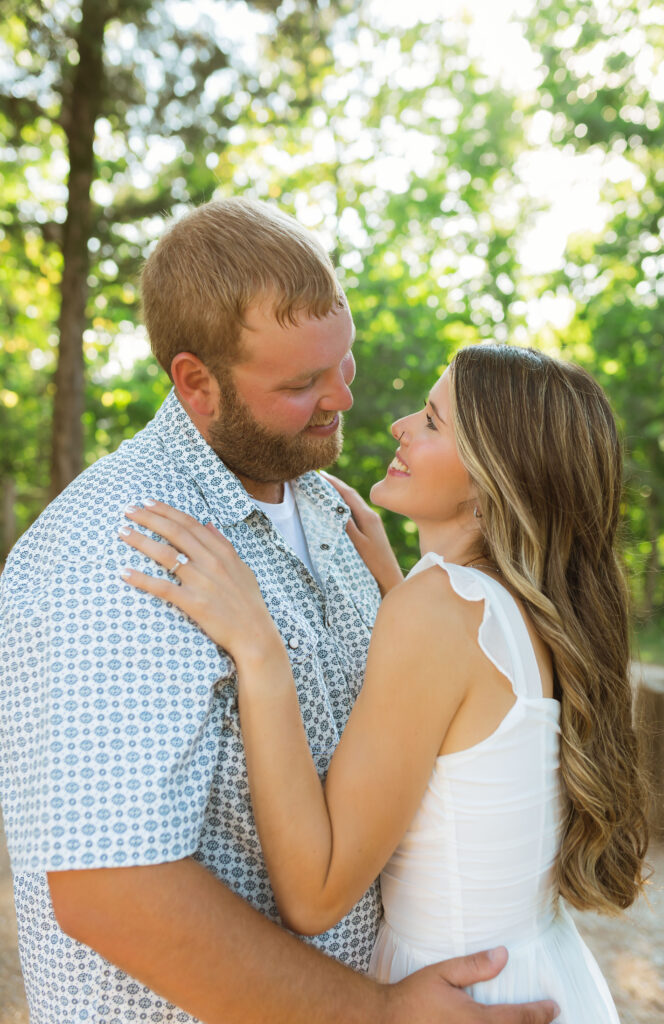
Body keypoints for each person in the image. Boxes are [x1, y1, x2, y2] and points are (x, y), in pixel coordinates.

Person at [0, 198, 559, 1024]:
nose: (341, 400)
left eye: (345, 363)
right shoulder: (118, 549)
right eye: (300, 384)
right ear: (197, 383)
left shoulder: (330, 506)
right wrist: (374, 1013)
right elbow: (114, 893)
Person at [118, 343, 650, 1021]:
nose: (401, 424)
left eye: (430, 420)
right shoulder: (527, 604)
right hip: (539, 972)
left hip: (459, 994)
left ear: (493, 479)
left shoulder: (437, 612)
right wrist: (400, 583)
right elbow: (469, 722)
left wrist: (259, 647)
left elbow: (314, 895)